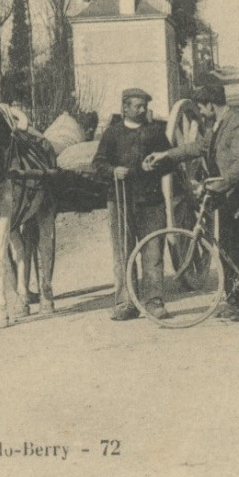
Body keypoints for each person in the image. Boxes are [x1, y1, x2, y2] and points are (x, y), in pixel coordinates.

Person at [146, 80, 239, 321]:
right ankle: (233, 301)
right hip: (227, 195)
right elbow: (197, 147)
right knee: (226, 250)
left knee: (238, 251)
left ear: (211, 105)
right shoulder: (217, 124)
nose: (199, 112)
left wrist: (214, 185)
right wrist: (166, 154)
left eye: (201, 107)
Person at [91, 87, 173, 321]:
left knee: (153, 254)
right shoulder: (112, 134)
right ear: (125, 107)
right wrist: (113, 171)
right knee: (122, 255)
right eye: (137, 105)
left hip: (151, 202)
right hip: (120, 202)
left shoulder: (156, 132)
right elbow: (97, 164)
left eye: (144, 105)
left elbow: (170, 162)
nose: (142, 109)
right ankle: (126, 303)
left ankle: (154, 302)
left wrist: (155, 165)